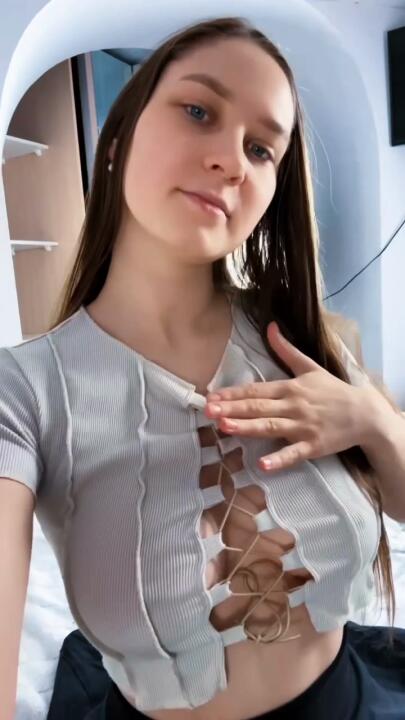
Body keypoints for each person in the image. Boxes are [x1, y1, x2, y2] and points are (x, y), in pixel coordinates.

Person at [1, 15, 405, 720]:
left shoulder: (305, 342)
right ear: (117, 143)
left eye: (261, 148)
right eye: (197, 110)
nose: (232, 161)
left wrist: (373, 419)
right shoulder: (25, 393)